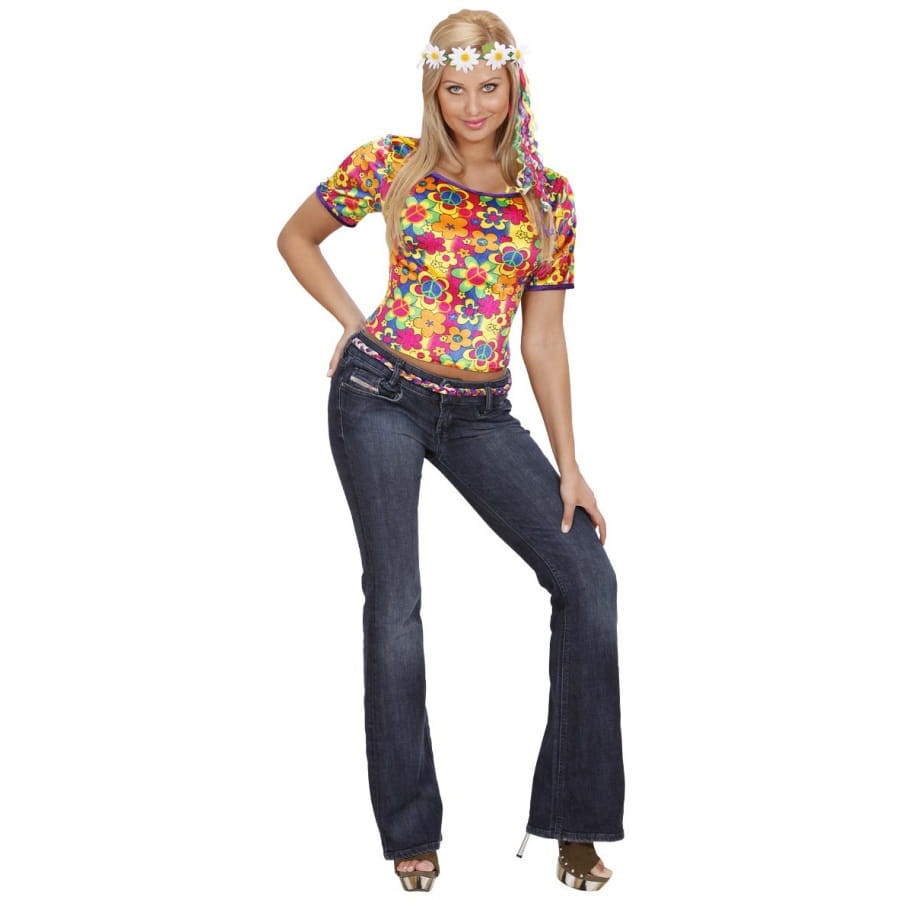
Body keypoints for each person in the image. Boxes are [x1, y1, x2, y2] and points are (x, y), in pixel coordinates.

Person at [277, 8, 624, 892]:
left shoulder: (548, 199)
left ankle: (575, 822)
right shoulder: (390, 164)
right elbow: (296, 237)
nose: (473, 106)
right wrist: (353, 322)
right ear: (434, 90)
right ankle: (410, 831)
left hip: (480, 413)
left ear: (515, 86)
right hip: (378, 395)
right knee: (396, 603)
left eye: (489, 87)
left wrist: (570, 465)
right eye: (455, 88)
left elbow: (542, 338)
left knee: (588, 579)